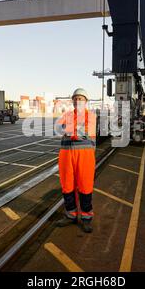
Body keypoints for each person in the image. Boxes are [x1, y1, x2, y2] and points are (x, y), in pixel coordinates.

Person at [55, 88, 97, 233]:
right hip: (66, 156)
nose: (78, 101)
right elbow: (58, 130)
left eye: (81, 98)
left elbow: (81, 131)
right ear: (72, 101)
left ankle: (86, 218)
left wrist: (70, 129)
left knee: (85, 186)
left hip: (85, 157)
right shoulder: (66, 115)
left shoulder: (91, 116)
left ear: (85, 101)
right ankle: (71, 215)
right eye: (76, 98)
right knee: (67, 186)